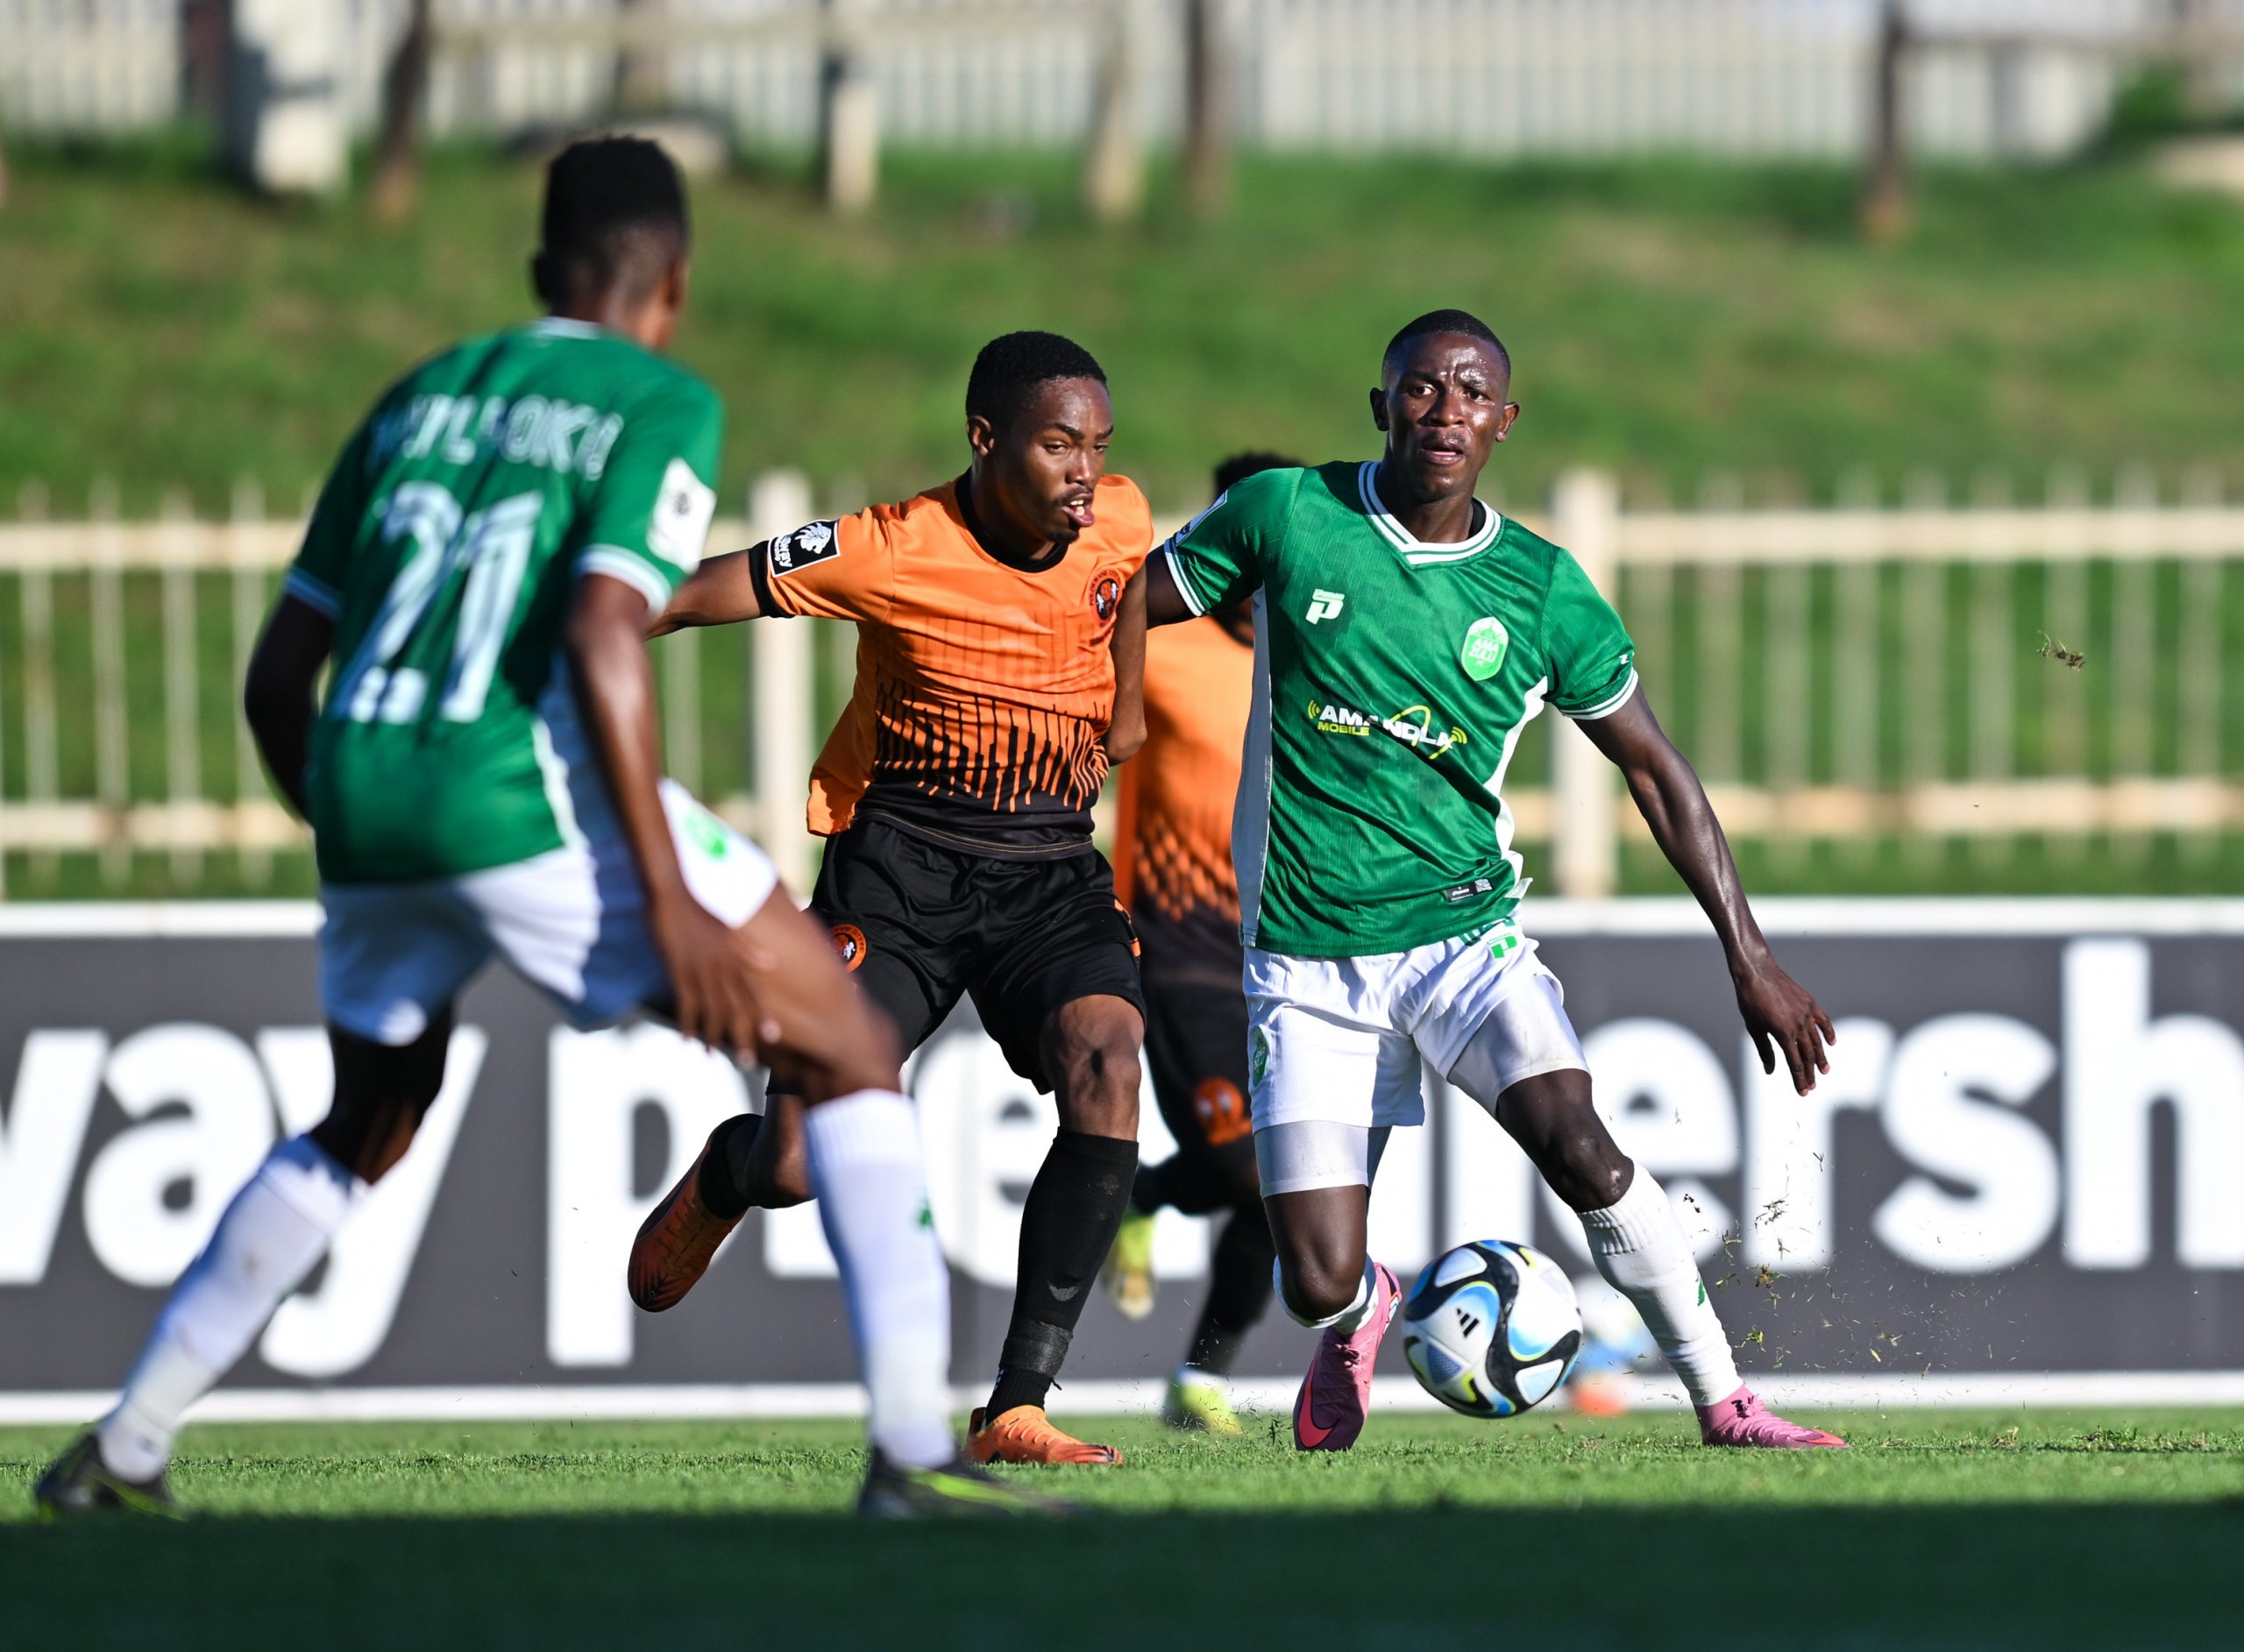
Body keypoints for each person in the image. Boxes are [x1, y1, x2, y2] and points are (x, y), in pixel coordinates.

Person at [34, 138, 1046, 1521]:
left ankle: (127, 1447)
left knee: (367, 1120)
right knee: (849, 1048)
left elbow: (276, 677)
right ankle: (913, 1451)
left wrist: (359, 832)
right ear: (673, 281)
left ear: (536, 269)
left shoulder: (419, 398)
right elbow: (602, 631)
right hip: (519, 788)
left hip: (361, 789)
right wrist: (665, 898)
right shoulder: (655, 400)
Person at [1140, 308, 1848, 1453]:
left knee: (1580, 1142)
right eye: (1423, 388)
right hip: (1305, 957)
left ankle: (1725, 1400)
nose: (1446, 411)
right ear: (1382, 405)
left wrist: (1749, 955)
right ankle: (1360, 1313)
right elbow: (1121, 606)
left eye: (1472, 394)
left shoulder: (1540, 588)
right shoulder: (1287, 513)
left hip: (1463, 941)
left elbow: (1655, 771)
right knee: (1313, 1277)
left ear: (1504, 420)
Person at [627, 331, 1154, 1467]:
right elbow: (697, 593)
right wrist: (567, 638)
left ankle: (1016, 1405)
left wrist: (1127, 706)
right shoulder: (891, 545)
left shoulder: (1118, 517)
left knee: (1110, 1060)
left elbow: (1129, 588)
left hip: (1049, 869)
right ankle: (729, 1169)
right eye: (1060, 445)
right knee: (795, 1164)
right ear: (985, 438)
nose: (1086, 472)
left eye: (1099, 446)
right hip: (899, 871)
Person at [1101, 451, 1299, 1437]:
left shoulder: (1322, 651)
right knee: (1237, 1167)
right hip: (1175, 944)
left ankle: (1198, 1379)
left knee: (1285, 1181)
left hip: (1286, 950)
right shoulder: (1160, 641)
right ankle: (1143, 1193)